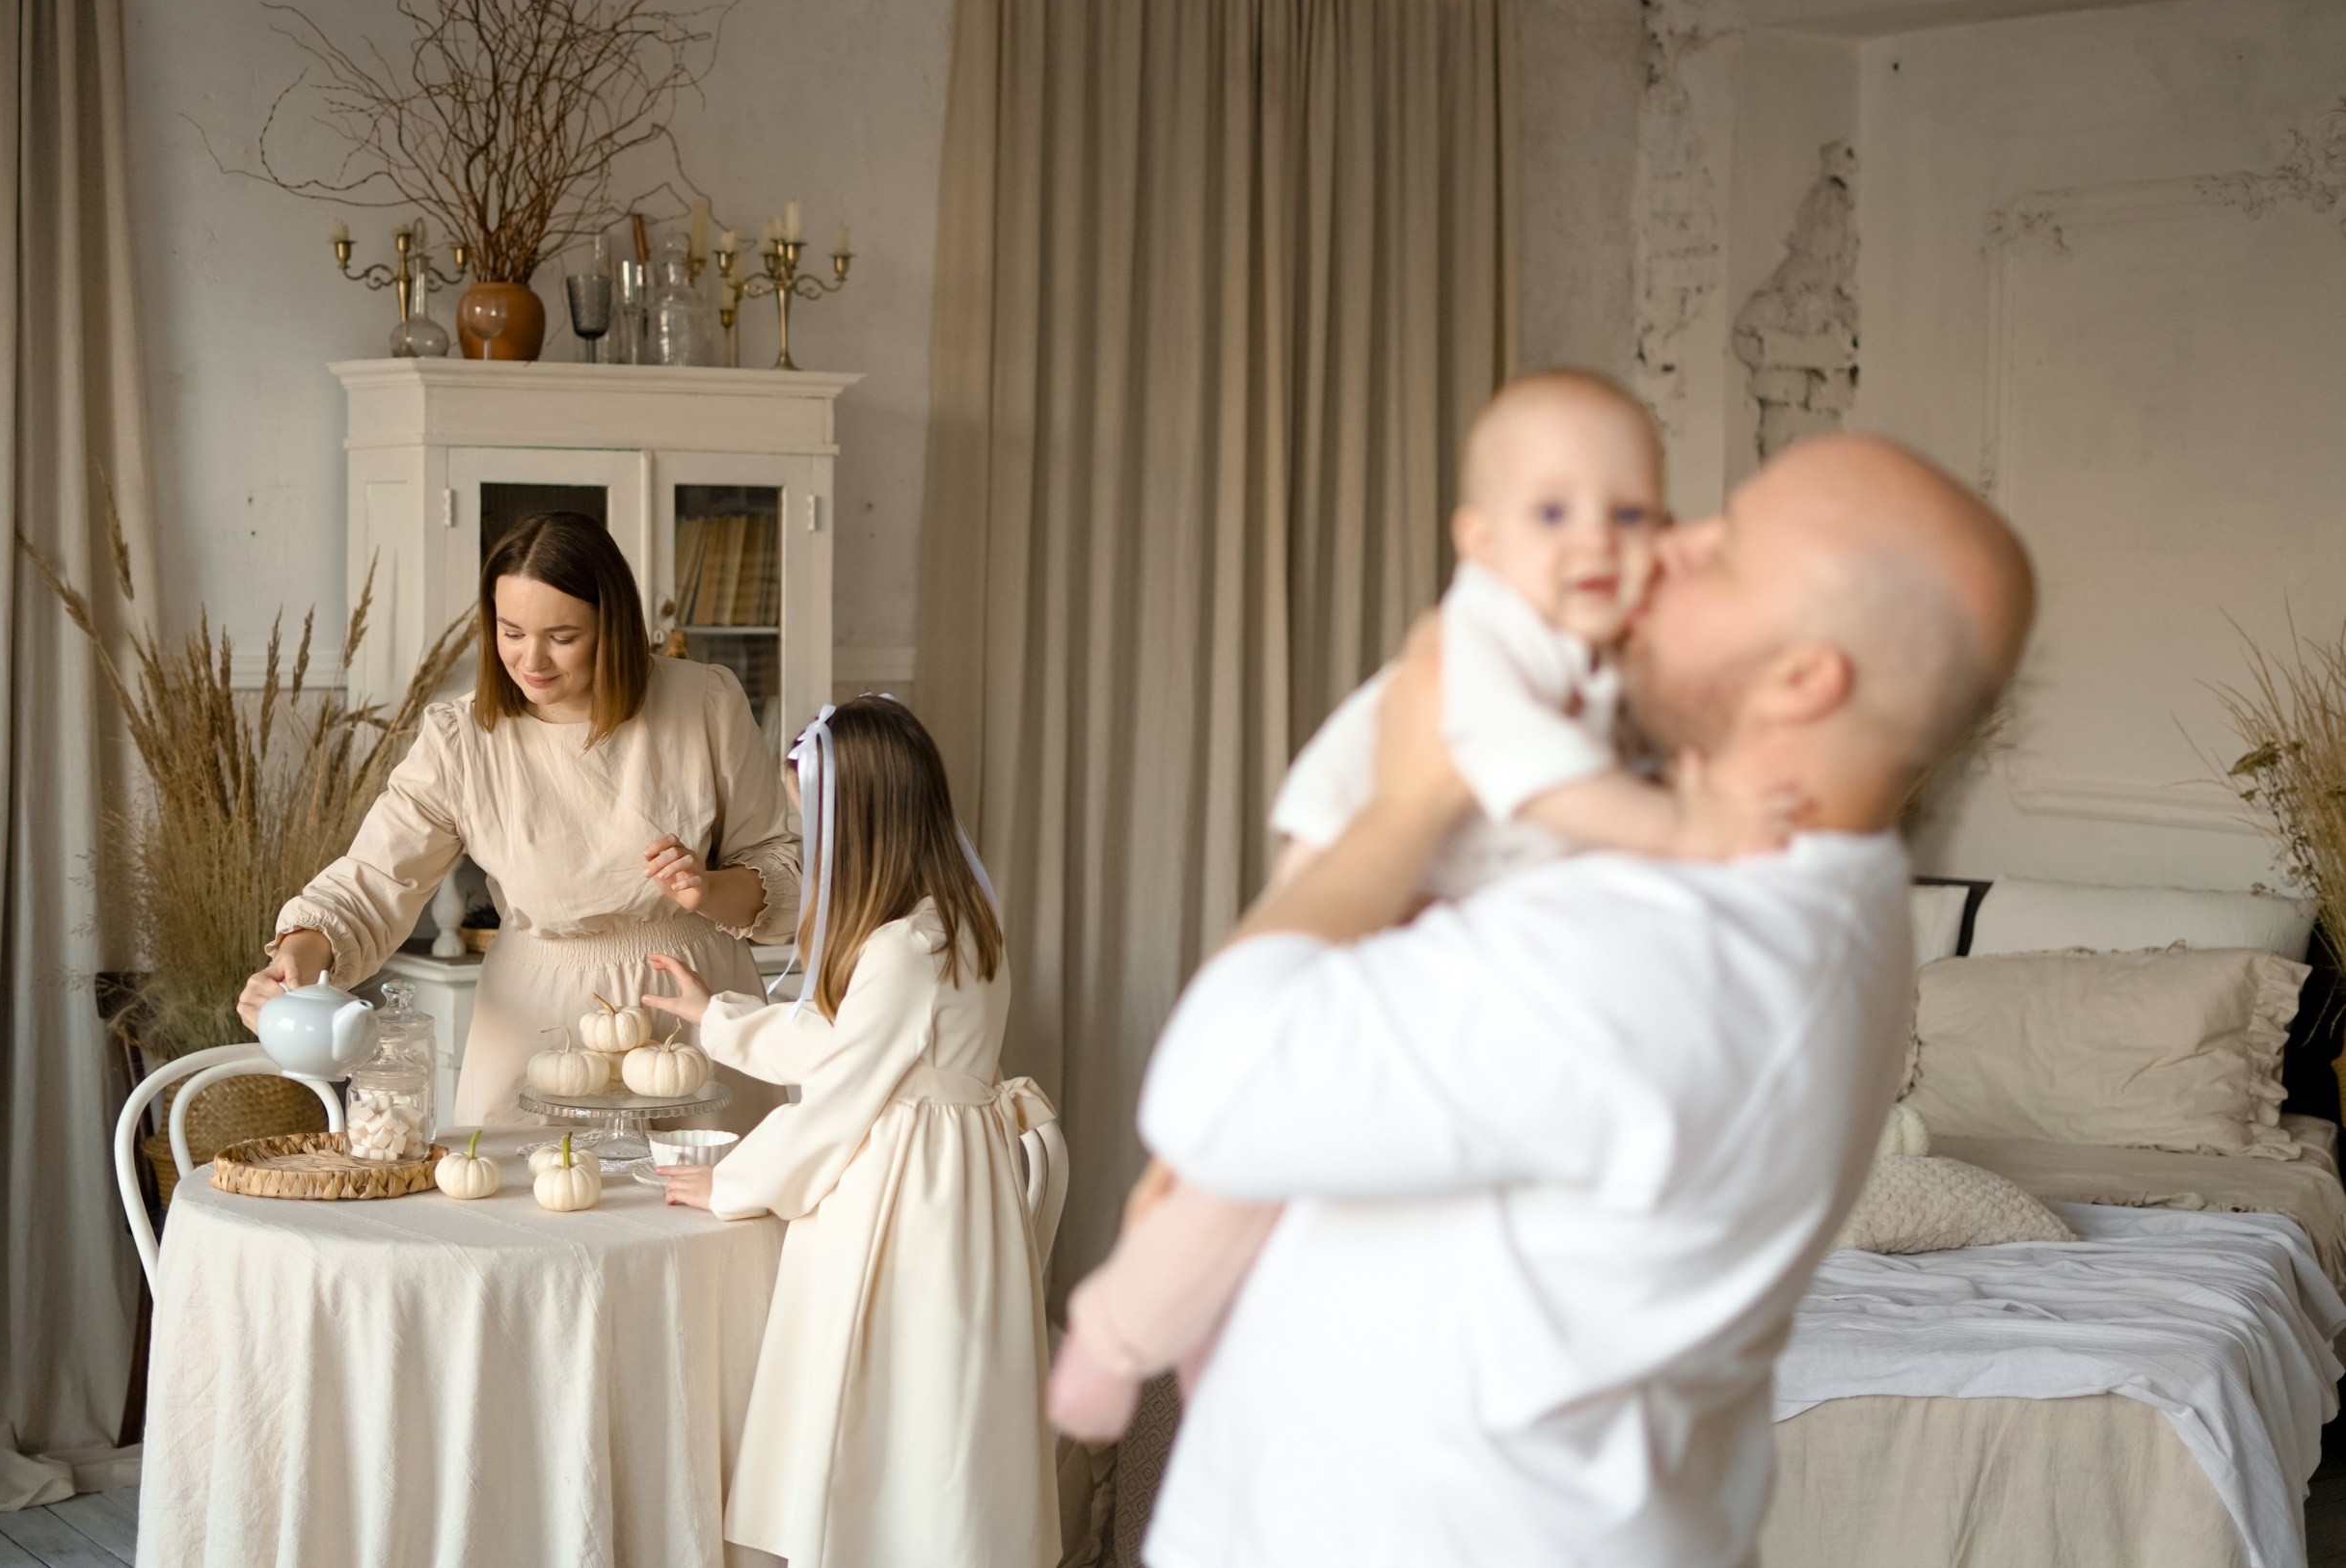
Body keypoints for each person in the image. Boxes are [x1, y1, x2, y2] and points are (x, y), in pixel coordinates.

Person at [1130, 435, 2035, 1568]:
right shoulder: (1818, 881)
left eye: (1723, 551)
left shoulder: (1666, 956)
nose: (1664, 544)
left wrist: (1398, 811)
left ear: (1801, 675)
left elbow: (1210, 1088)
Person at [1051, 369, 1781, 1440]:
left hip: (1451, 886)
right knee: (1246, 1127)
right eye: (1552, 512)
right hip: (1354, 868)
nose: (1597, 541)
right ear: (1477, 540)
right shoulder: (1481, 631)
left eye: (1630, 514)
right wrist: (1689, 828)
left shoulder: (1604, 638)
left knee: (1328, 1149)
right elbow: (1524, 770)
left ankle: (1232, 1333)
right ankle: (1114, 1332)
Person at [643, 696, 1059, 1568]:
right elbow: (850, 1044)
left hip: (906, 1201)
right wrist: (715, 1014)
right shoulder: (959, 927)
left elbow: (838, 1098)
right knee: (942, 1423)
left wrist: (736, 1181)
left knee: (882, 1404)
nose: (814, 855)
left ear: (863, 826)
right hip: (962, 1188)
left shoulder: (906, 950)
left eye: (817, 831)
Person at [238, 511, 801, 1133]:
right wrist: (299, 955)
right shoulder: (462, 738)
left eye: (561, 636)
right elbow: (374, 879)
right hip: (540, 1020)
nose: (530, 661)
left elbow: (780, 860)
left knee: (708, 1218)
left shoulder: (704, 703)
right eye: (510, 632)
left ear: (612, 628)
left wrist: (709, 889)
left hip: (694, 1006)